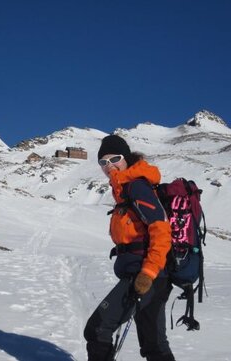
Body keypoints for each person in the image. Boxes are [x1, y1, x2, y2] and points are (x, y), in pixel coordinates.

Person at [84, 134, 175, 361]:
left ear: (127, 158)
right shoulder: (124, 190)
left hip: (146, 277)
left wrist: (148, 273)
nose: (109, 166)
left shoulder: (136, 187)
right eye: (103, 162)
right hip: (150, 278)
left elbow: (161, 228)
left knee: (97, 329)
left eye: (115, 158)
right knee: (155, 345)